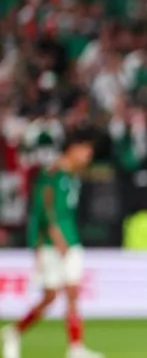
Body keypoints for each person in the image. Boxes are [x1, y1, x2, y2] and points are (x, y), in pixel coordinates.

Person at [3, 128, 103, 358]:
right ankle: (15, 331)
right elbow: (44, 205)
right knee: (50, 297)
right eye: (86, 150)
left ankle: (76, 347)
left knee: (72, 292)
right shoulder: (53, 173)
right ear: (74, 148)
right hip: (54, 243)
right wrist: (54, 235)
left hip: (71, 239)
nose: (89, 156)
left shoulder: (71, 175)